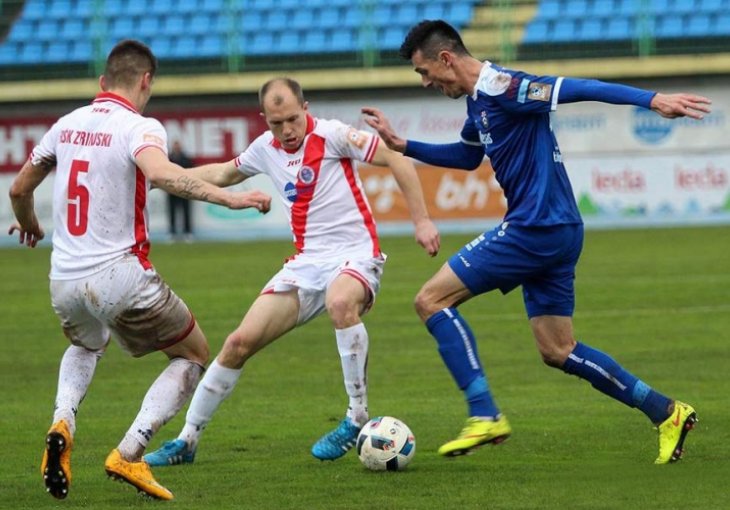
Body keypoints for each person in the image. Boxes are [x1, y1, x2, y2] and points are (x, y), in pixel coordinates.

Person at [362, 20, 711, 464]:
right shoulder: (477, 103)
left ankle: (484, 413)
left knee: (430, 301)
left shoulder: (505, 86)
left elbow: (577, 87)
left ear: (445, 58)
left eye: (424, 72)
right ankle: (666, 412)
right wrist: (402, 143)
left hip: (536, 227)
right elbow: (468, 156)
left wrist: (651, 100)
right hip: (558, 229)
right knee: (558, 349)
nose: (426, 82)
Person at [8, 39, 271, 501]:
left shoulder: (65, 125)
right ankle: (130, 451)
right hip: (120, 275)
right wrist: (233, 199)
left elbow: (19, 188)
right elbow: (165, 174)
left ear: (102, 82)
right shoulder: (139, 126)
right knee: (192, 354)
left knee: (86, 345)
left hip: (64, 278)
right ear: (146, 81)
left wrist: (30, 224)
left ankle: (63, 421)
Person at [143, 77, 440, 467]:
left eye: (292, 119)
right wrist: (162, 176)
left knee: (339, 303)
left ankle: (356, 417)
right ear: (264, 118)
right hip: (307, 264)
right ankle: (187, 440)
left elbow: (396, 157)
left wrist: (421, 220)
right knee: (237, 343)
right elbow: (220, 174)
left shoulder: (333, 135)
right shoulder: (265, 149)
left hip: (354, 255)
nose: (286, 130)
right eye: (276, 122)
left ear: (306, 108)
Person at [167, 140, 195, 242]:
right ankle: (172, 232)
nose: (177, 147)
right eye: (175, 146)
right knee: (172, 212)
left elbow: (191, 173)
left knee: (186, 211)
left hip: (185, 189)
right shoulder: (168, 159)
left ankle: (188, 232)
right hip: (172, 189)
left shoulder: (186, 159)